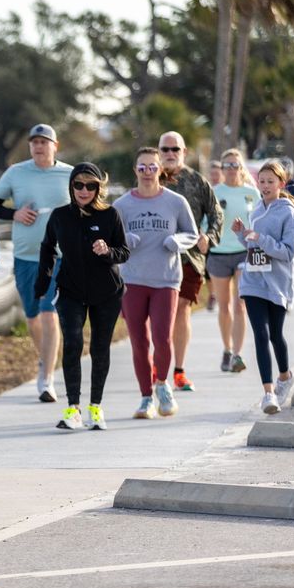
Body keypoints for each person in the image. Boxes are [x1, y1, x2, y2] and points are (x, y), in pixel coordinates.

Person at [35, 162, 129, 431]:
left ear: (99, 188)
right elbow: (47, 248)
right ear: (71, 187)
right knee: (73, 343)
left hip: (107, 293)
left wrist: (108, 251)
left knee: (100, 348)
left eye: (90, 186)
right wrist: (42, 283)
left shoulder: (110, 215)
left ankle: (95, 408)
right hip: (71, 290)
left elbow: (124, 251)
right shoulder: (60, 216)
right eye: (79, 185)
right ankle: (72, 408)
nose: (84, 190)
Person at [0, 124, 73, 403]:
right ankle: (45, 361)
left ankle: (46, 379)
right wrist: (16, 214)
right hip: (25, 256)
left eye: (44, 142)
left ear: (55, 146)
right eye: (34, 142)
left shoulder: (70, 174)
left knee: (49, 311)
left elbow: (85, 207)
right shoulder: (16, 173)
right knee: (32, 316)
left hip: (58, 257)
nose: (38, 146)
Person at [113, 147, 198, 420]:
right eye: (142, 167)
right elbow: (109, 238)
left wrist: (178, 242)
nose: (147, 172)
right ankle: (146, 397)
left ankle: (163, 384)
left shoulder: (174, 202)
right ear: (135, 170)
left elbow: (192, 233)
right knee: (139, 341)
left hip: (166, 279)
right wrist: (124, 239)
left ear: (161, 169)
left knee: (162, 338)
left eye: (152, 167)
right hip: (133, 279)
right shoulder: (123, 205)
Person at [231, 160, 294, 414]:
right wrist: (243, 234)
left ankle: (284, 376)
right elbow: (253, 248)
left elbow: (288, 252)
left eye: (269, 182)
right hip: (253, 281)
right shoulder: (256, 210)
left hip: (278, 283)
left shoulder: (288, 213)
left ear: (281, 184)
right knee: (261, 336)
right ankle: (268, 394)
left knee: (276, 335)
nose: (264, 186)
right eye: (261, 181)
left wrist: (258, 237)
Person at [158, 131, 221, 393]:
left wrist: (209, 236)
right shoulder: (150, 179)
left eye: (176, 149)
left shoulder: (198, 181)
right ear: (159, 152)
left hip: (189, 258)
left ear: (184, 152)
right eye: (165, 149)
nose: (170, 154)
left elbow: (216, 214)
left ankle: (179, 371)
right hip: (155, 258)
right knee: (159, 316)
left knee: (182, 308)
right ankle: (158, 366)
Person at [208, 148, 258, 374]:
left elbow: (260, 220)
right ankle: (226, 349)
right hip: (218, 253)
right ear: (222, 168)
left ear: (241, 168)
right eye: (226, 165)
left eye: (235, 165)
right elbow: (204, 222)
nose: (230, 169)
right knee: (224, 305)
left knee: (240, 304)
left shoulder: (252, 193)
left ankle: (237, 355)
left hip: (243, 252)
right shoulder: (214, 192)